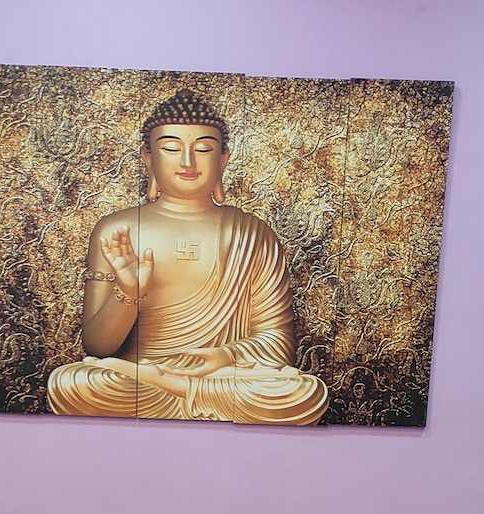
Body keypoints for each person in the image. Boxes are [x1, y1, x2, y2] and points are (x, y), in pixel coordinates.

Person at [47, 91, 328, 424]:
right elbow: (97, 347)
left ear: (223, 159)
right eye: (170, 148)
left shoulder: (252, 233)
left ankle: (179, 386)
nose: (188, 162)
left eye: (204, 149)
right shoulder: (117, 229)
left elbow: (278, 344)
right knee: (74, 383)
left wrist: (227, 355)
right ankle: (171, 385)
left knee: (303, 392)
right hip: (137, 376)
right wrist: (129, 293)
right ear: (148, 158)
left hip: (223, 378)